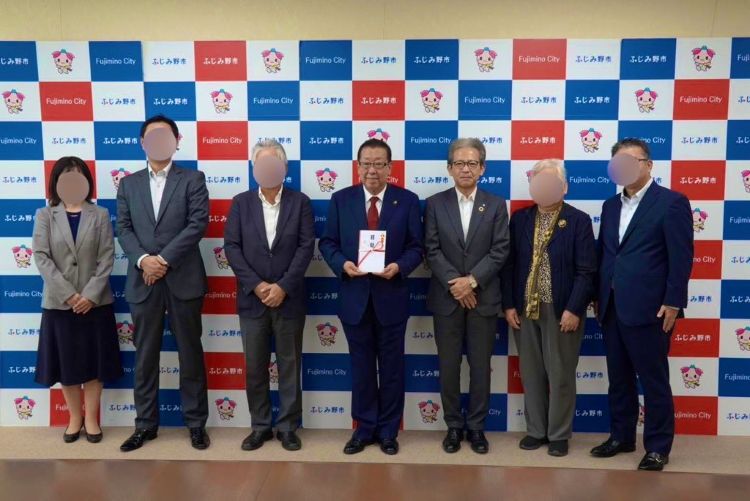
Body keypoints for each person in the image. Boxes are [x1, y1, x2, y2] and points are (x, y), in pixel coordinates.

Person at [591, 138, 693, 471]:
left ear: (648, 165)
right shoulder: (610, 206)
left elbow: (681, 257)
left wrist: (674, 301)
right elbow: (607, 254)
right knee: (618, 378)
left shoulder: (672, 202)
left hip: (651, 308)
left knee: (653, 380)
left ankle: (658, 447)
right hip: (611, 306)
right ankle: (621, 437)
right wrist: (597, 294)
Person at [318, 138, 423, 455]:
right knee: (361, 368)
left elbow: (417, 247)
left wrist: (399, 267)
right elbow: (327, 243)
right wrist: (343, 265)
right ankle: (363, 429)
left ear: (390, 167)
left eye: (379, 164)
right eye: (366, 163)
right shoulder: (341, 199)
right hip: (355, 299)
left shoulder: (407, 200)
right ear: (358, 166)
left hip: (391, 297)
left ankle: (389, 431)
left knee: (392, 369)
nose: (372, 170)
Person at [116, 115, 211, 451]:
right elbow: (123, 229)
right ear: (142, 143)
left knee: (190, 353)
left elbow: (197, 223)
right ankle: (145, 425)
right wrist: (145, 260)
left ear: (177, 140)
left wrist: (163, 261)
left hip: (183, 278)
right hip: (143, 280)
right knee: (145, 357)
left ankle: (196, 424)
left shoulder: (193, 179)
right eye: (151, 137)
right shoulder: (128, 184)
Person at [223, 139, 314, 452]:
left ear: (284, 168)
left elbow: (306, 247)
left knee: (289, 365)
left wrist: (283, 287)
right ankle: (260, 426)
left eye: (273, 164)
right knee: (254, 367)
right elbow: (232, 247)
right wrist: (258, 285)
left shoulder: (300, 202)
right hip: (253, 299)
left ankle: (288, 427)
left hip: (289, 298)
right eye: (261, 164)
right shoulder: (240, 203)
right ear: (254, 169)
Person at [501, 159, 596, 457]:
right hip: (525, 308)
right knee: (531, 373)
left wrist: (574, 309)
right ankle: (536, 430)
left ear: (564, 187)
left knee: (560, 374)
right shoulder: (520, 219)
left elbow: (586, 271)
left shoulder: (578, 220)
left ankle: (558, 434)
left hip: (562, 309)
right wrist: (508, 304)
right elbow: (509, 265)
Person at [424, 138, 509, 455]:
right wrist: (456, 285)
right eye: (459, 163)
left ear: (482, 168)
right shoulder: (434, 204)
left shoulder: (496, 205)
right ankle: (453, 426)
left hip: (483, 298)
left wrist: (471, 282)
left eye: (472, 163)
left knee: (480, 366)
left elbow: (500, 250)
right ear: (449, 168)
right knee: (448, 366)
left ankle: (476, 427)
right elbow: (431, 250)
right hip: (446, 299)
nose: (465, 169)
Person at [33, 156, 123, 443]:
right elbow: (41, 257)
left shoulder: (100, 214)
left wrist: (89, 295)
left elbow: (107, 256)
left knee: (95, 363)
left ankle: (92, 419)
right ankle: (75, 418)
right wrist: (70, 295)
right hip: (60, 304)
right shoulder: (45, 215)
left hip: (95, 303)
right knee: (67, 363)